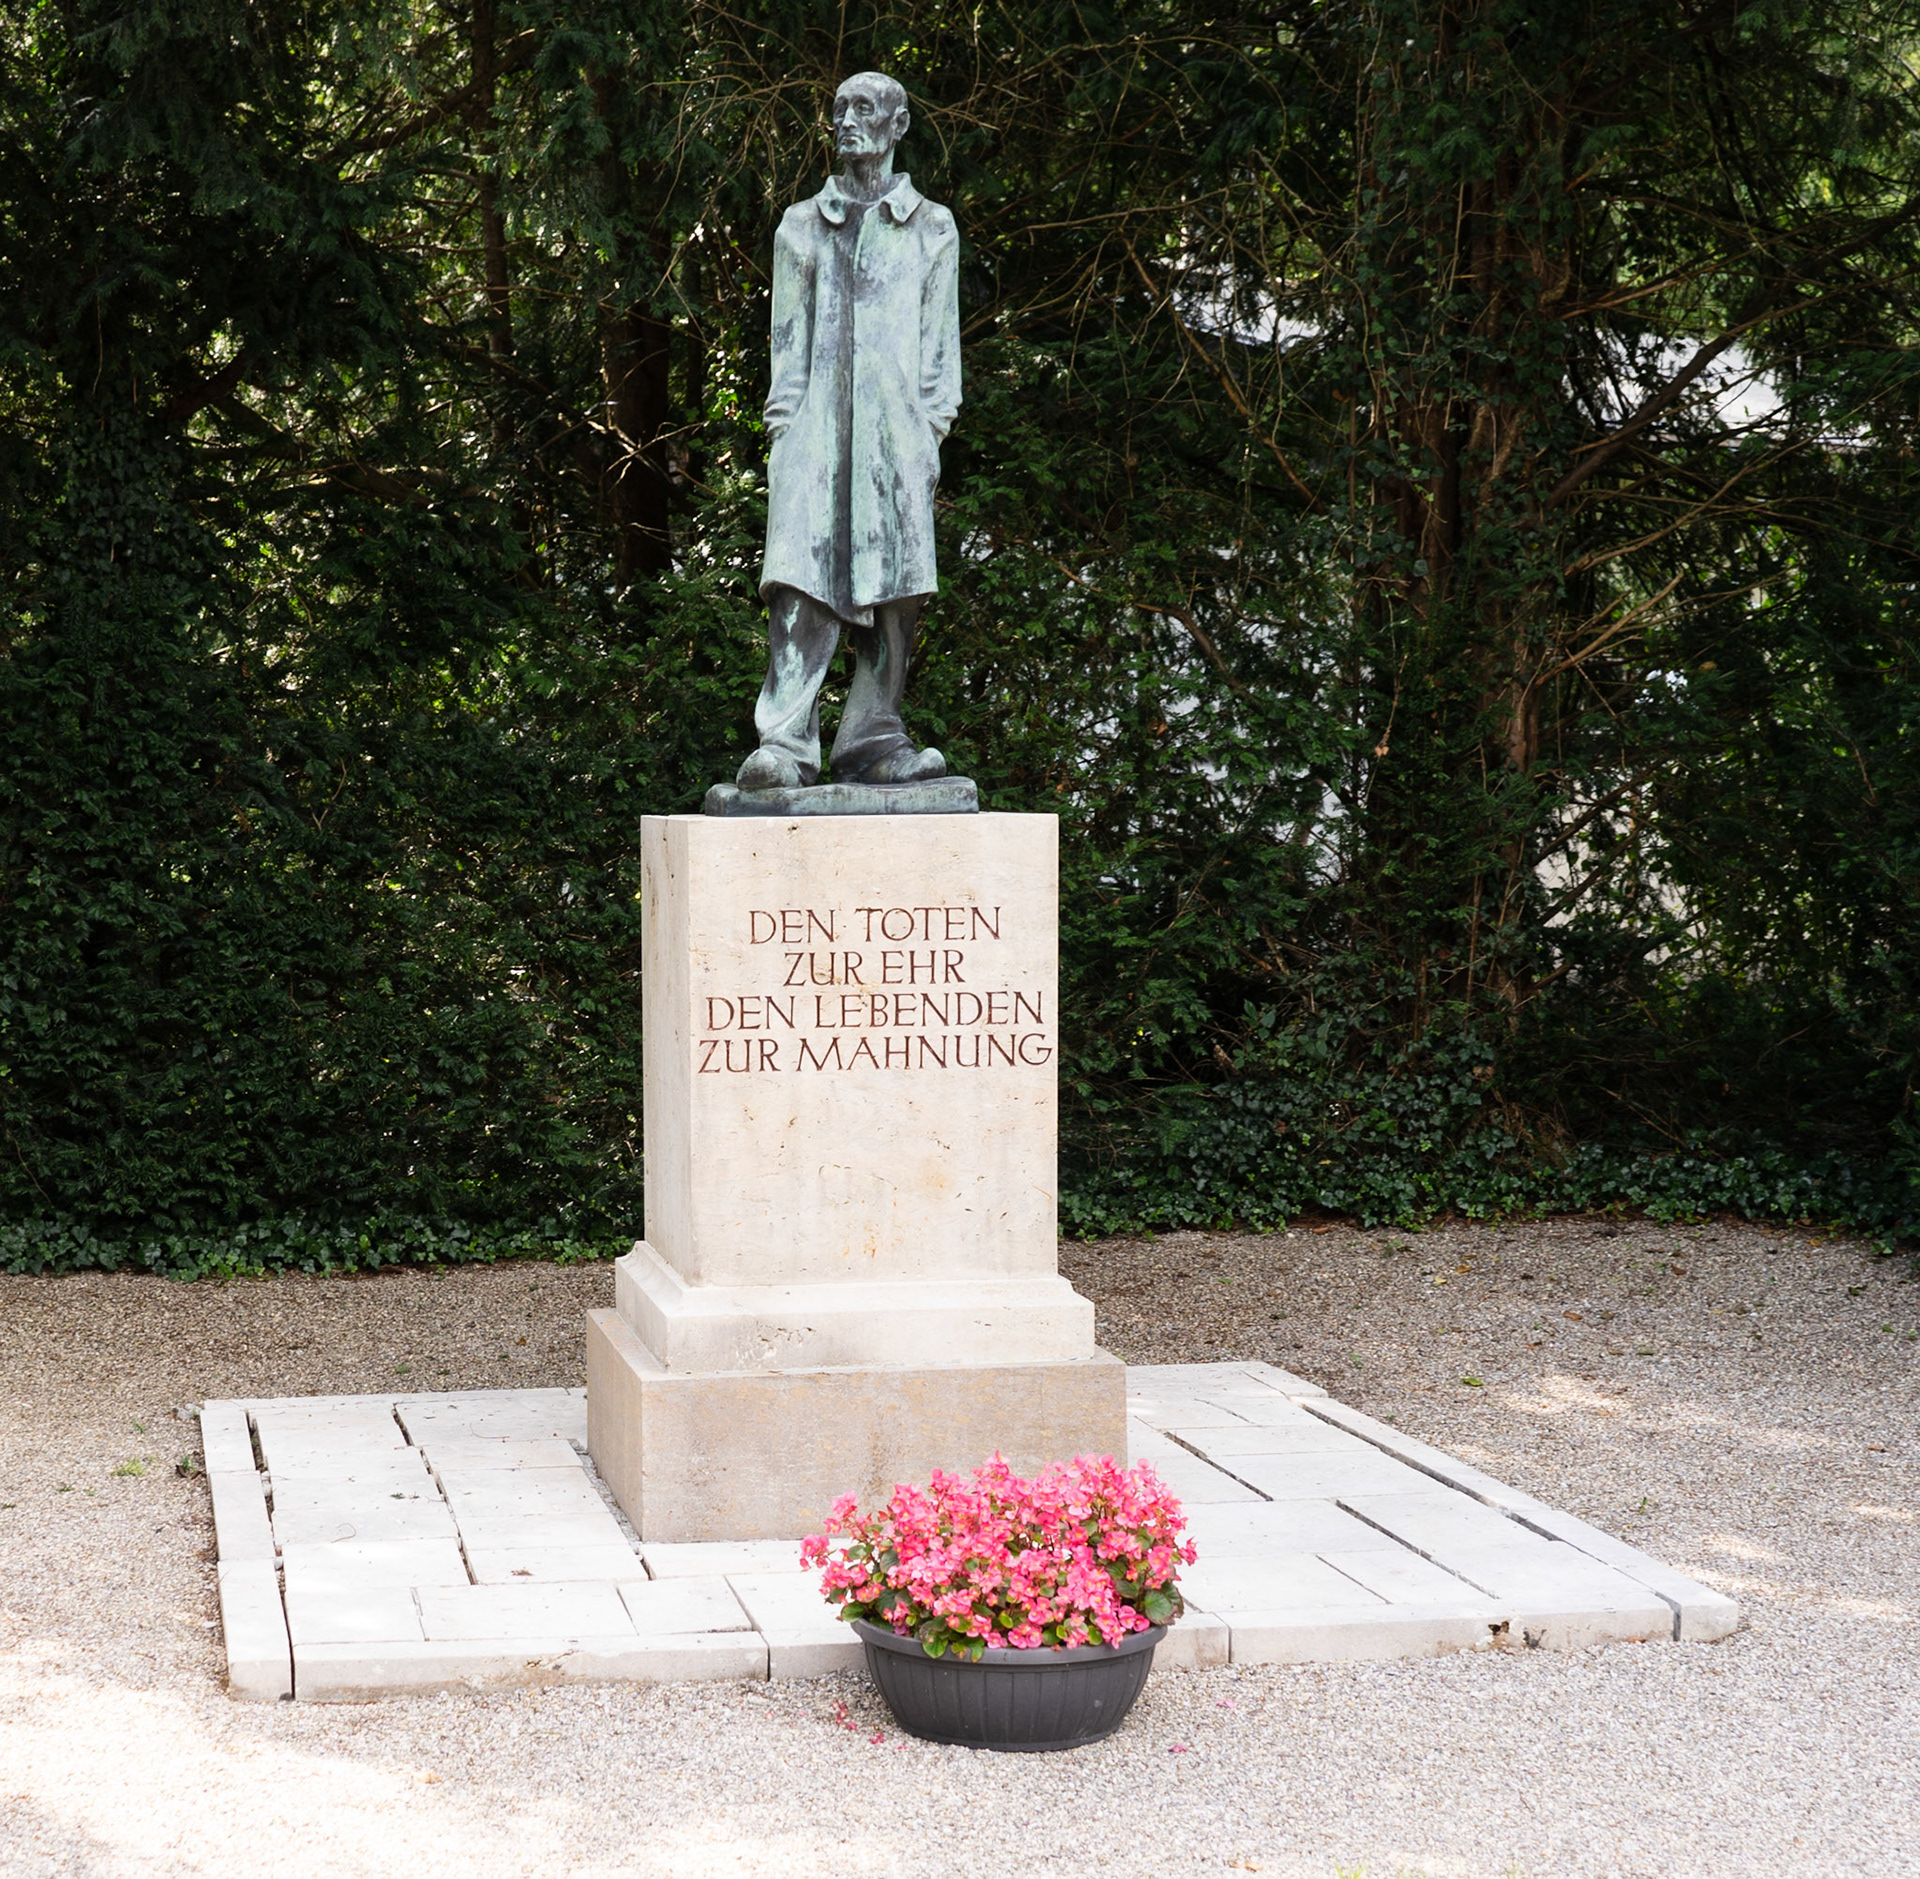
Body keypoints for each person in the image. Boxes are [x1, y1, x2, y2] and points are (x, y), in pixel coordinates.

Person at [737, 71, 961, 790]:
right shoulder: (803, 224)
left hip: (898, 440)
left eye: (864, 108)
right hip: (813, 437)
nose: (846, 121)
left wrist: (927, 437)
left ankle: (873, 736)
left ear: (898, 125)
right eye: (838, 109)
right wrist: (784, 439)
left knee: (895, 595)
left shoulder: (931, 227)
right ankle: (785, 742)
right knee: (799, 584)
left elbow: (939, 357)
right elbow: (786, 349)